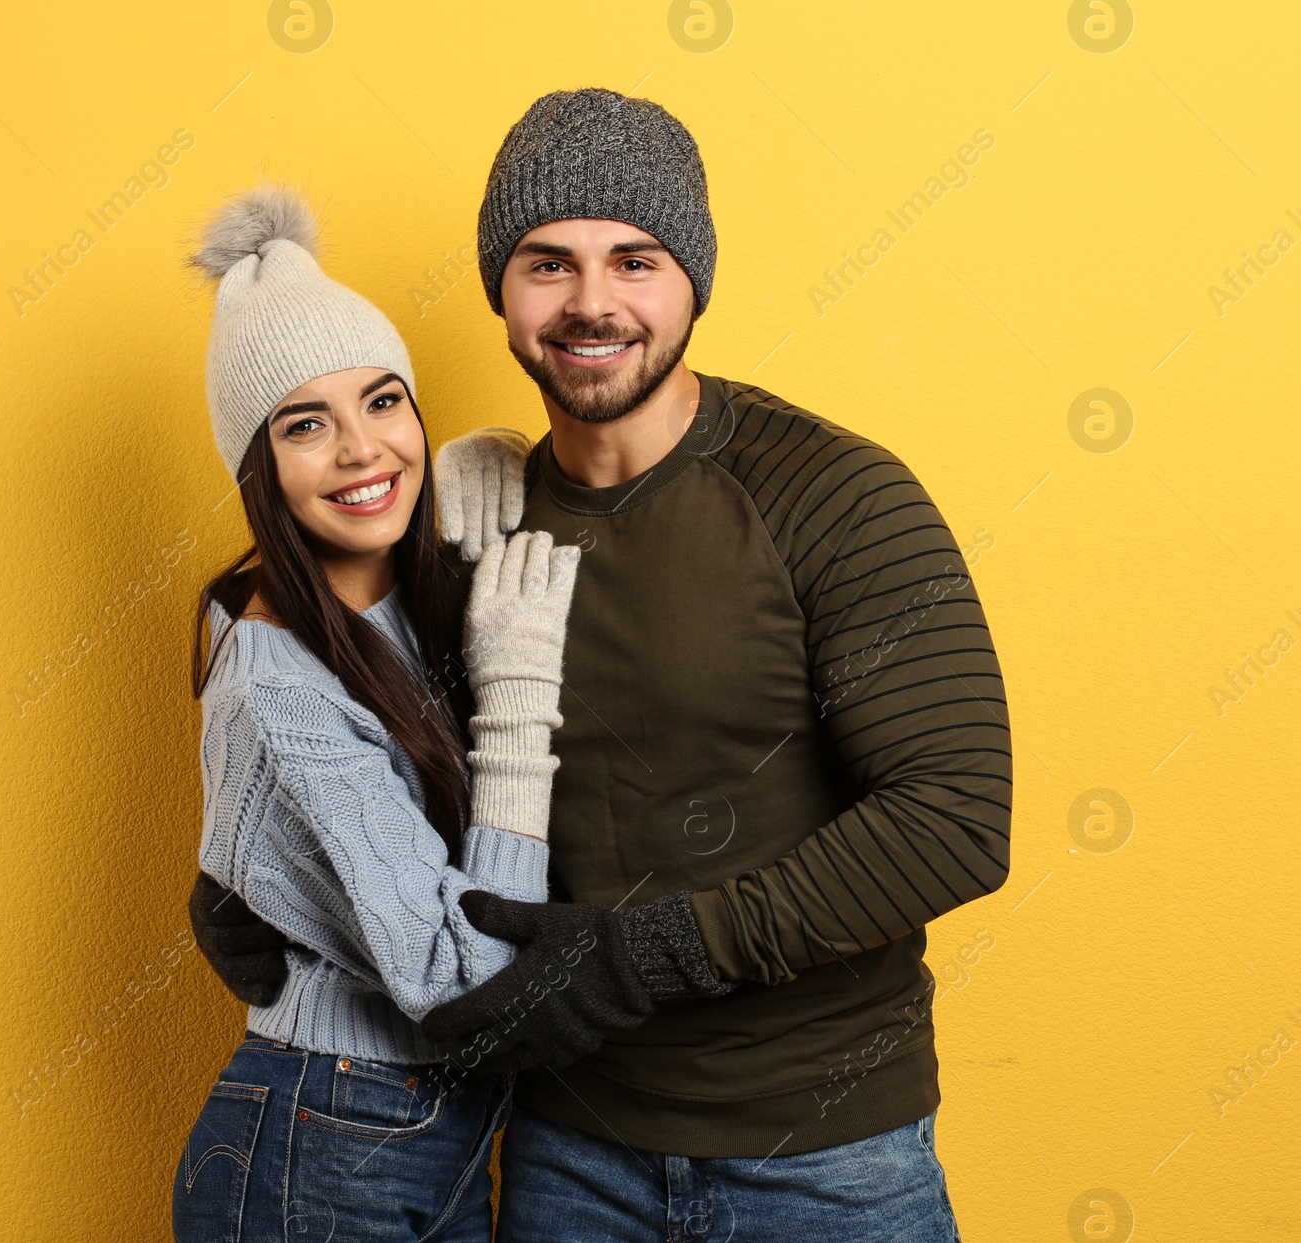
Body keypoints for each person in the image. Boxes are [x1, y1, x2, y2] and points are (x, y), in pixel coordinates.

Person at [195, 89, 1012, 1242]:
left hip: (819, 1153)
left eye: (634, 260)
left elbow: (955, 821)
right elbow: (376, 748)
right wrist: (256, 876)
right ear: (501, 291)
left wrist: (653, 951)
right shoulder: (464, 526)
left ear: (692, 282)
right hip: (562, 1152)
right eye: (547, 262)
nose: (591, 303)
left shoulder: (832, 494)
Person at [173, 181, 581, 1243]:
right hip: (322, 1136)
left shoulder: (405, 599)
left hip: (425, 1131)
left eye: (384, 401)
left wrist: (506, 469)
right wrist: (520, 699)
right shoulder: (273, 670)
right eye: (307, 424)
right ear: (258, 469)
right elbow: (464, 975)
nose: (361, 449)